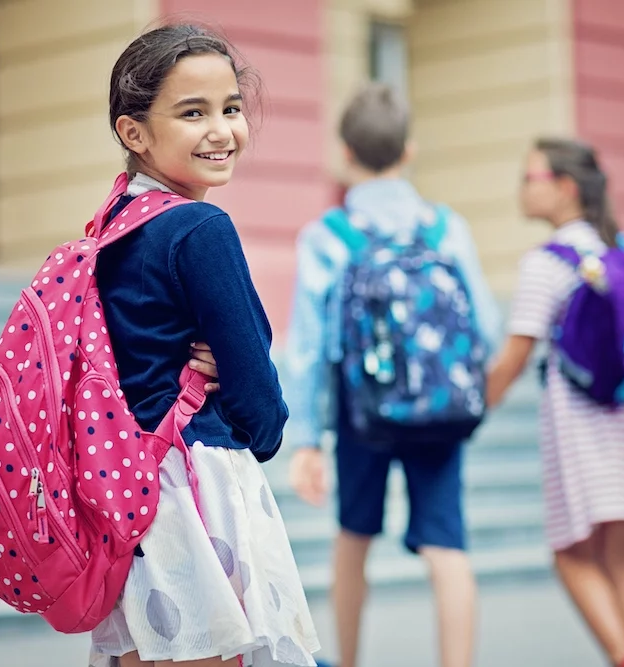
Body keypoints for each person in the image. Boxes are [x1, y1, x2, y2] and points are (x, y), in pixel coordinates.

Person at [86, 23, 320, 667]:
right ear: (133, 132)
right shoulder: (200, 227)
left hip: (124, 485)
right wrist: (261, 421)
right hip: (194, 487)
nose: (221, 130)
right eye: (193, 112)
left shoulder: (112, 224)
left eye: (231, 108)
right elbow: (259, 403)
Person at [282, 83, 502, 667]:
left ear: (344, 154)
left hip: (364, 414)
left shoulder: (328, 237)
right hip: (439, 410)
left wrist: (307, 438)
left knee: (354, 538)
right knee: (446, 546)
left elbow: (308, 348)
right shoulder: (446, 228)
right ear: (409, 151)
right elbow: (486, 325)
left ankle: (347, 660)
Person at [486, 138, 624, 667]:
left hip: (583, 424)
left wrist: (472, 410)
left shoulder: (547, 262)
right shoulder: (622, 248)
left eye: (529, 176)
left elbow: (515, 356)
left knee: (569, 553)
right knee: (617, 552)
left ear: (565, 188)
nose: (521, 187)